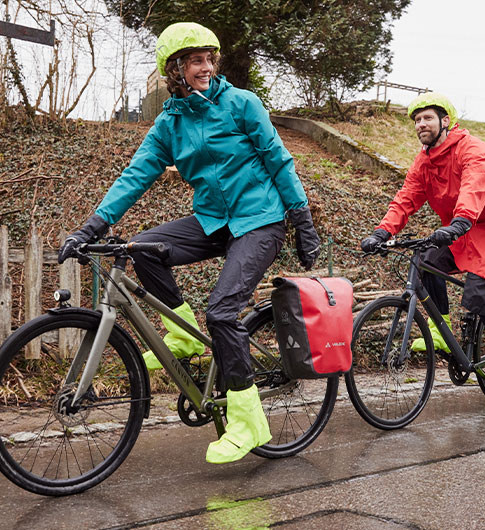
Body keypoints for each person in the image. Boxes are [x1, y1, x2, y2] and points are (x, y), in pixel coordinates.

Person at [58, 22, 320, 464]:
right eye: (194, 61)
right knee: (139, 248)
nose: (205, 67)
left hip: (260, 219)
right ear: (174, 70)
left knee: (220, 311)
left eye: (208, 59)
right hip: (214, 220)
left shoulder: (241, 104)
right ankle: (182, 337)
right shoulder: (170, 123)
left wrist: (302, 217)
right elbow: (135, 176)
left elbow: (279, 159)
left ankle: (248, 421)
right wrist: (92, 227)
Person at [361, 92, 485, 393]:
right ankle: (443, 329)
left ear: (445, 121)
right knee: (425, 261)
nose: (420, 124)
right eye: (416, 120)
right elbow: (406, 198)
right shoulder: (423, 161)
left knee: (479, 292)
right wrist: (382, 232)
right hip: (459, 230)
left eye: (427, 118)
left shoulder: (472, 149)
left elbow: (474, 185)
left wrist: (460, 221)